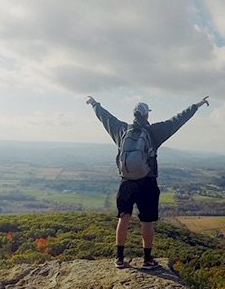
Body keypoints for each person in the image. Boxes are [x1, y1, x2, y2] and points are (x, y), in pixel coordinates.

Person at [86, 95, 210, 269]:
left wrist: (93, 103)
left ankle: (119, 258)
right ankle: (147, 260)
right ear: (146, 115)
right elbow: (177, 120)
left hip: (126, 182)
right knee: (146, 221)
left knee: (124, 217)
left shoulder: (121, 130)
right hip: (147, 182)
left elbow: (105, 116)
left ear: (134, 114)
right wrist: (195, 106)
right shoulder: (154, 132)